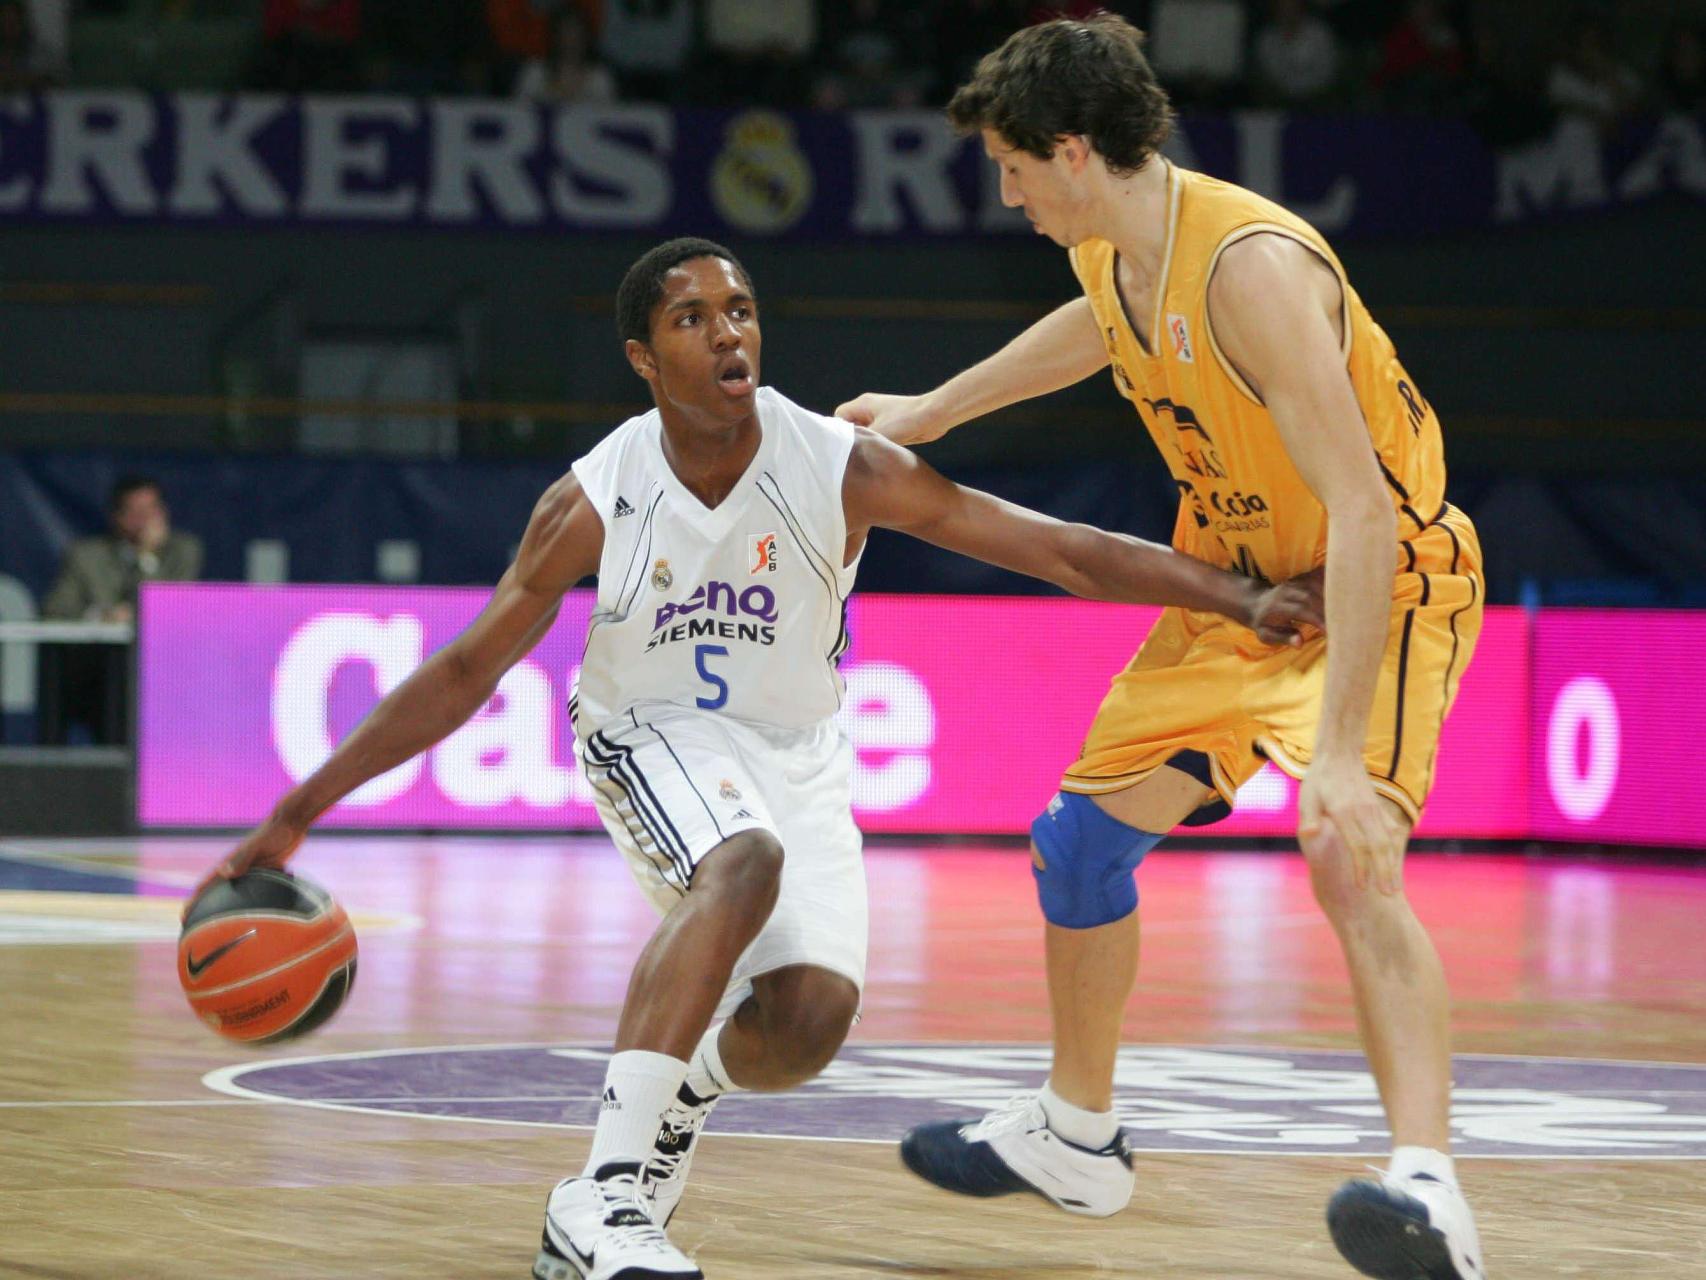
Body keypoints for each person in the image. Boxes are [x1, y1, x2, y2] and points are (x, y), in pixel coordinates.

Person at [200, 236, 1324, 1280]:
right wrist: (300, 809)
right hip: (645, 727)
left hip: (800, 750)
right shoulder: (596, 496)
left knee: (803, 1020)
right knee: (740, 860)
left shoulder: (836, 464)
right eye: (691, 319)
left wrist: (1237, 595)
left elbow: (1057, 548)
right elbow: (464, 671)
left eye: (739, 310)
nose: (727, 332)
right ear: (643, 358)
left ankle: (679, 1093)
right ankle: (601, 1194)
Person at [836, 17, 1486, 1280]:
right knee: (1077, 845)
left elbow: (1362, 512)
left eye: (1012, 167)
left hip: (1375, 582)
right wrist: (928, 412)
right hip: (1243, 592)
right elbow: (1092, 330)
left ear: (1073, 152)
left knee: (1344, 849)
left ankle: (1428, 1188)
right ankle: (1075, 1134)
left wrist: (1335, 756)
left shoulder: (1249, 269)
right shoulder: (1117, 254)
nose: (1006, 194)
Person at [44, 474, 203, 626]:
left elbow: (173, 609)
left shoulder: (183, 551)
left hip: (164, 643)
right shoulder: (86, 555)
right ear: (117, 516)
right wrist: (102, 616)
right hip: (104, 644)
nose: (146, 519)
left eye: (151, 509)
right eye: (136, 511)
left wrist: (147, 555)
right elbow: (55, 610)